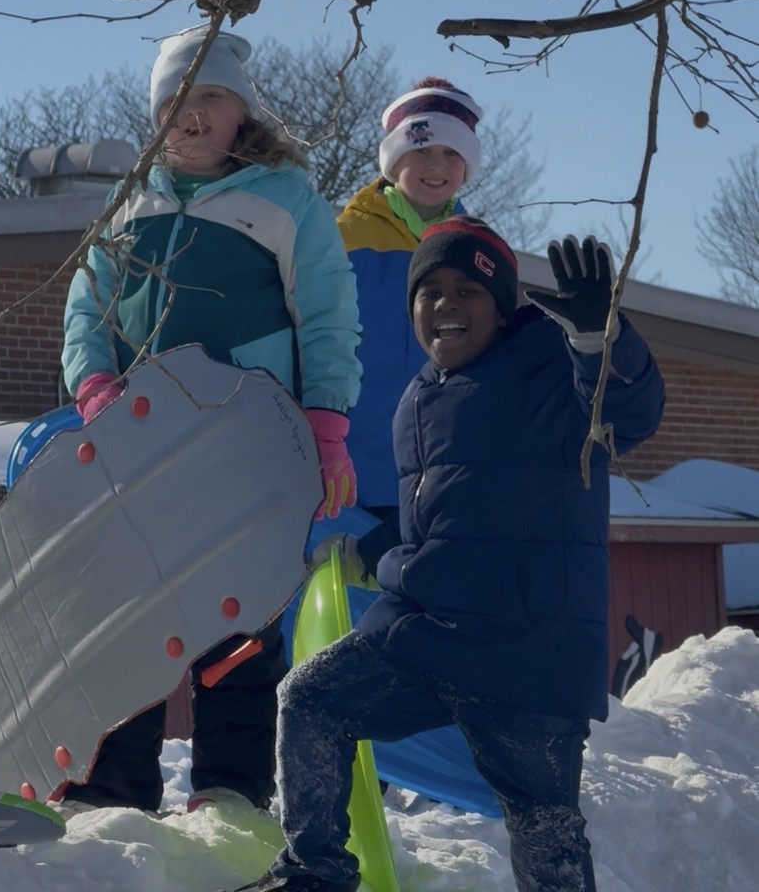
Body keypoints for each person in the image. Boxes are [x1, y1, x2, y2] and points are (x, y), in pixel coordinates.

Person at [240, 217, 665, 892]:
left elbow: (626, 412)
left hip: (528, 649)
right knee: (312, 698)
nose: (445, 303)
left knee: (544, 827)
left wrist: (599, 339)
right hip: (431, 636)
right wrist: (365, 549)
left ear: (502, 308)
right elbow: (442, 515)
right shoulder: (418, 398)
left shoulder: (552, 369)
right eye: (429, 290)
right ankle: (312, 872)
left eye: (467, 290)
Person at [59, 25, 362, 817]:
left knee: (238, 623)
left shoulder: (286, 200)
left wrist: (326, 425)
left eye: (212, 97)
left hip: (247, 445)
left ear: (241, 112)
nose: (192, 115)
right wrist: (95, 388)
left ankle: (230, 790)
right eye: (176, 101)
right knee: (127, 615)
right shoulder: (126, 204)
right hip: (138, 445)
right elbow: (85, 309)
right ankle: (112, 790)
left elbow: (328, 316)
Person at [333, 76, 480, 564]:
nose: (436, 166)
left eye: (451, 153)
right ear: (394, 159)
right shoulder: (341, 238)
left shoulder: (477, 247)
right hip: (353, 474)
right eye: (421, 150)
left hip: (446, 479)